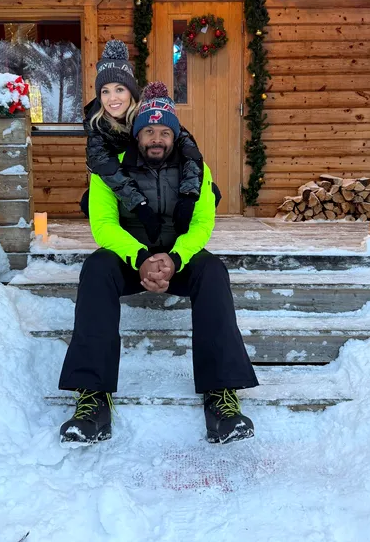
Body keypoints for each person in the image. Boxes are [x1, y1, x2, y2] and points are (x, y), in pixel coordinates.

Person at [59, 87, 259, 447]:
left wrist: (175, 258)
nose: (156, 138)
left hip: (177, 258)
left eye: (165, 131)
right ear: (137, 134)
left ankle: (221, 398)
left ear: (175, 135)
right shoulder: (110, 168)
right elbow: (103, 225)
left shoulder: (196, 168)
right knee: (96, 268)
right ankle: (92, 399)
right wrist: (140, 258)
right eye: (149, 131)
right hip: (128, 257)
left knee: (213, 271)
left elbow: (202, 224)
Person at [82, 39, 204, 241]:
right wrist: (139, 206)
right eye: (105, 91)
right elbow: (109, 170)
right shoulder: (97, 126)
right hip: (127, 179)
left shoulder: (149, 112)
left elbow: (188, 148)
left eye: (119, 89)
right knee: (88, 201)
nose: (112, 98)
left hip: (160, 176)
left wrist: (189, 196)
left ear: (131, 91)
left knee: (209, 190)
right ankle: (127, 234)